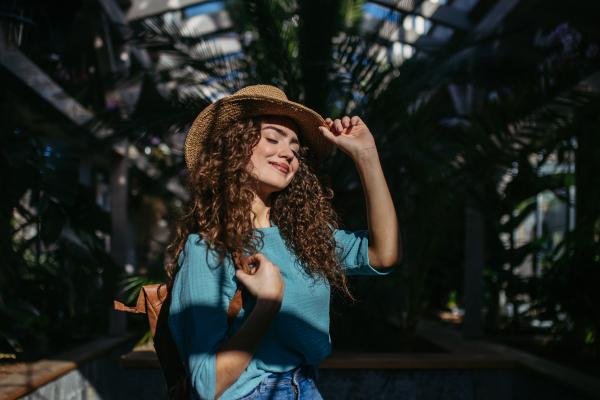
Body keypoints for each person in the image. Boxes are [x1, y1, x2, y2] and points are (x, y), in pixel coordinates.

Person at [167, 85, 402, 400]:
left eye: (295, 146)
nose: (289, 151)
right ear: (234, 147)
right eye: (273, 138)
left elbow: (383, 254)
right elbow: (206, 384)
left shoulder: (304, 238)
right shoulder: (207, 249)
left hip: (304, 388)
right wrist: (266, 305)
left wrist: (366, 155)